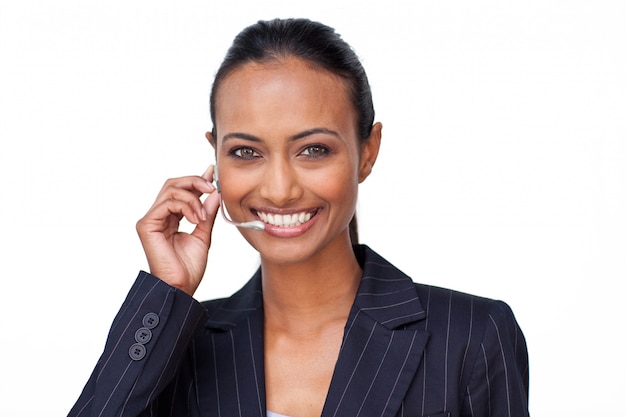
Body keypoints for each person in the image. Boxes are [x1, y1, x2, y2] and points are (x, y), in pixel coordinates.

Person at [68, 18, 529, 417]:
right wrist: (166, 294)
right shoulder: (177, 346)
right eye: (246, 152)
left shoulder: (470, 335)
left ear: (368, 152)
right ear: (216, 158)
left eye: (314, 150)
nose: (280, 189)